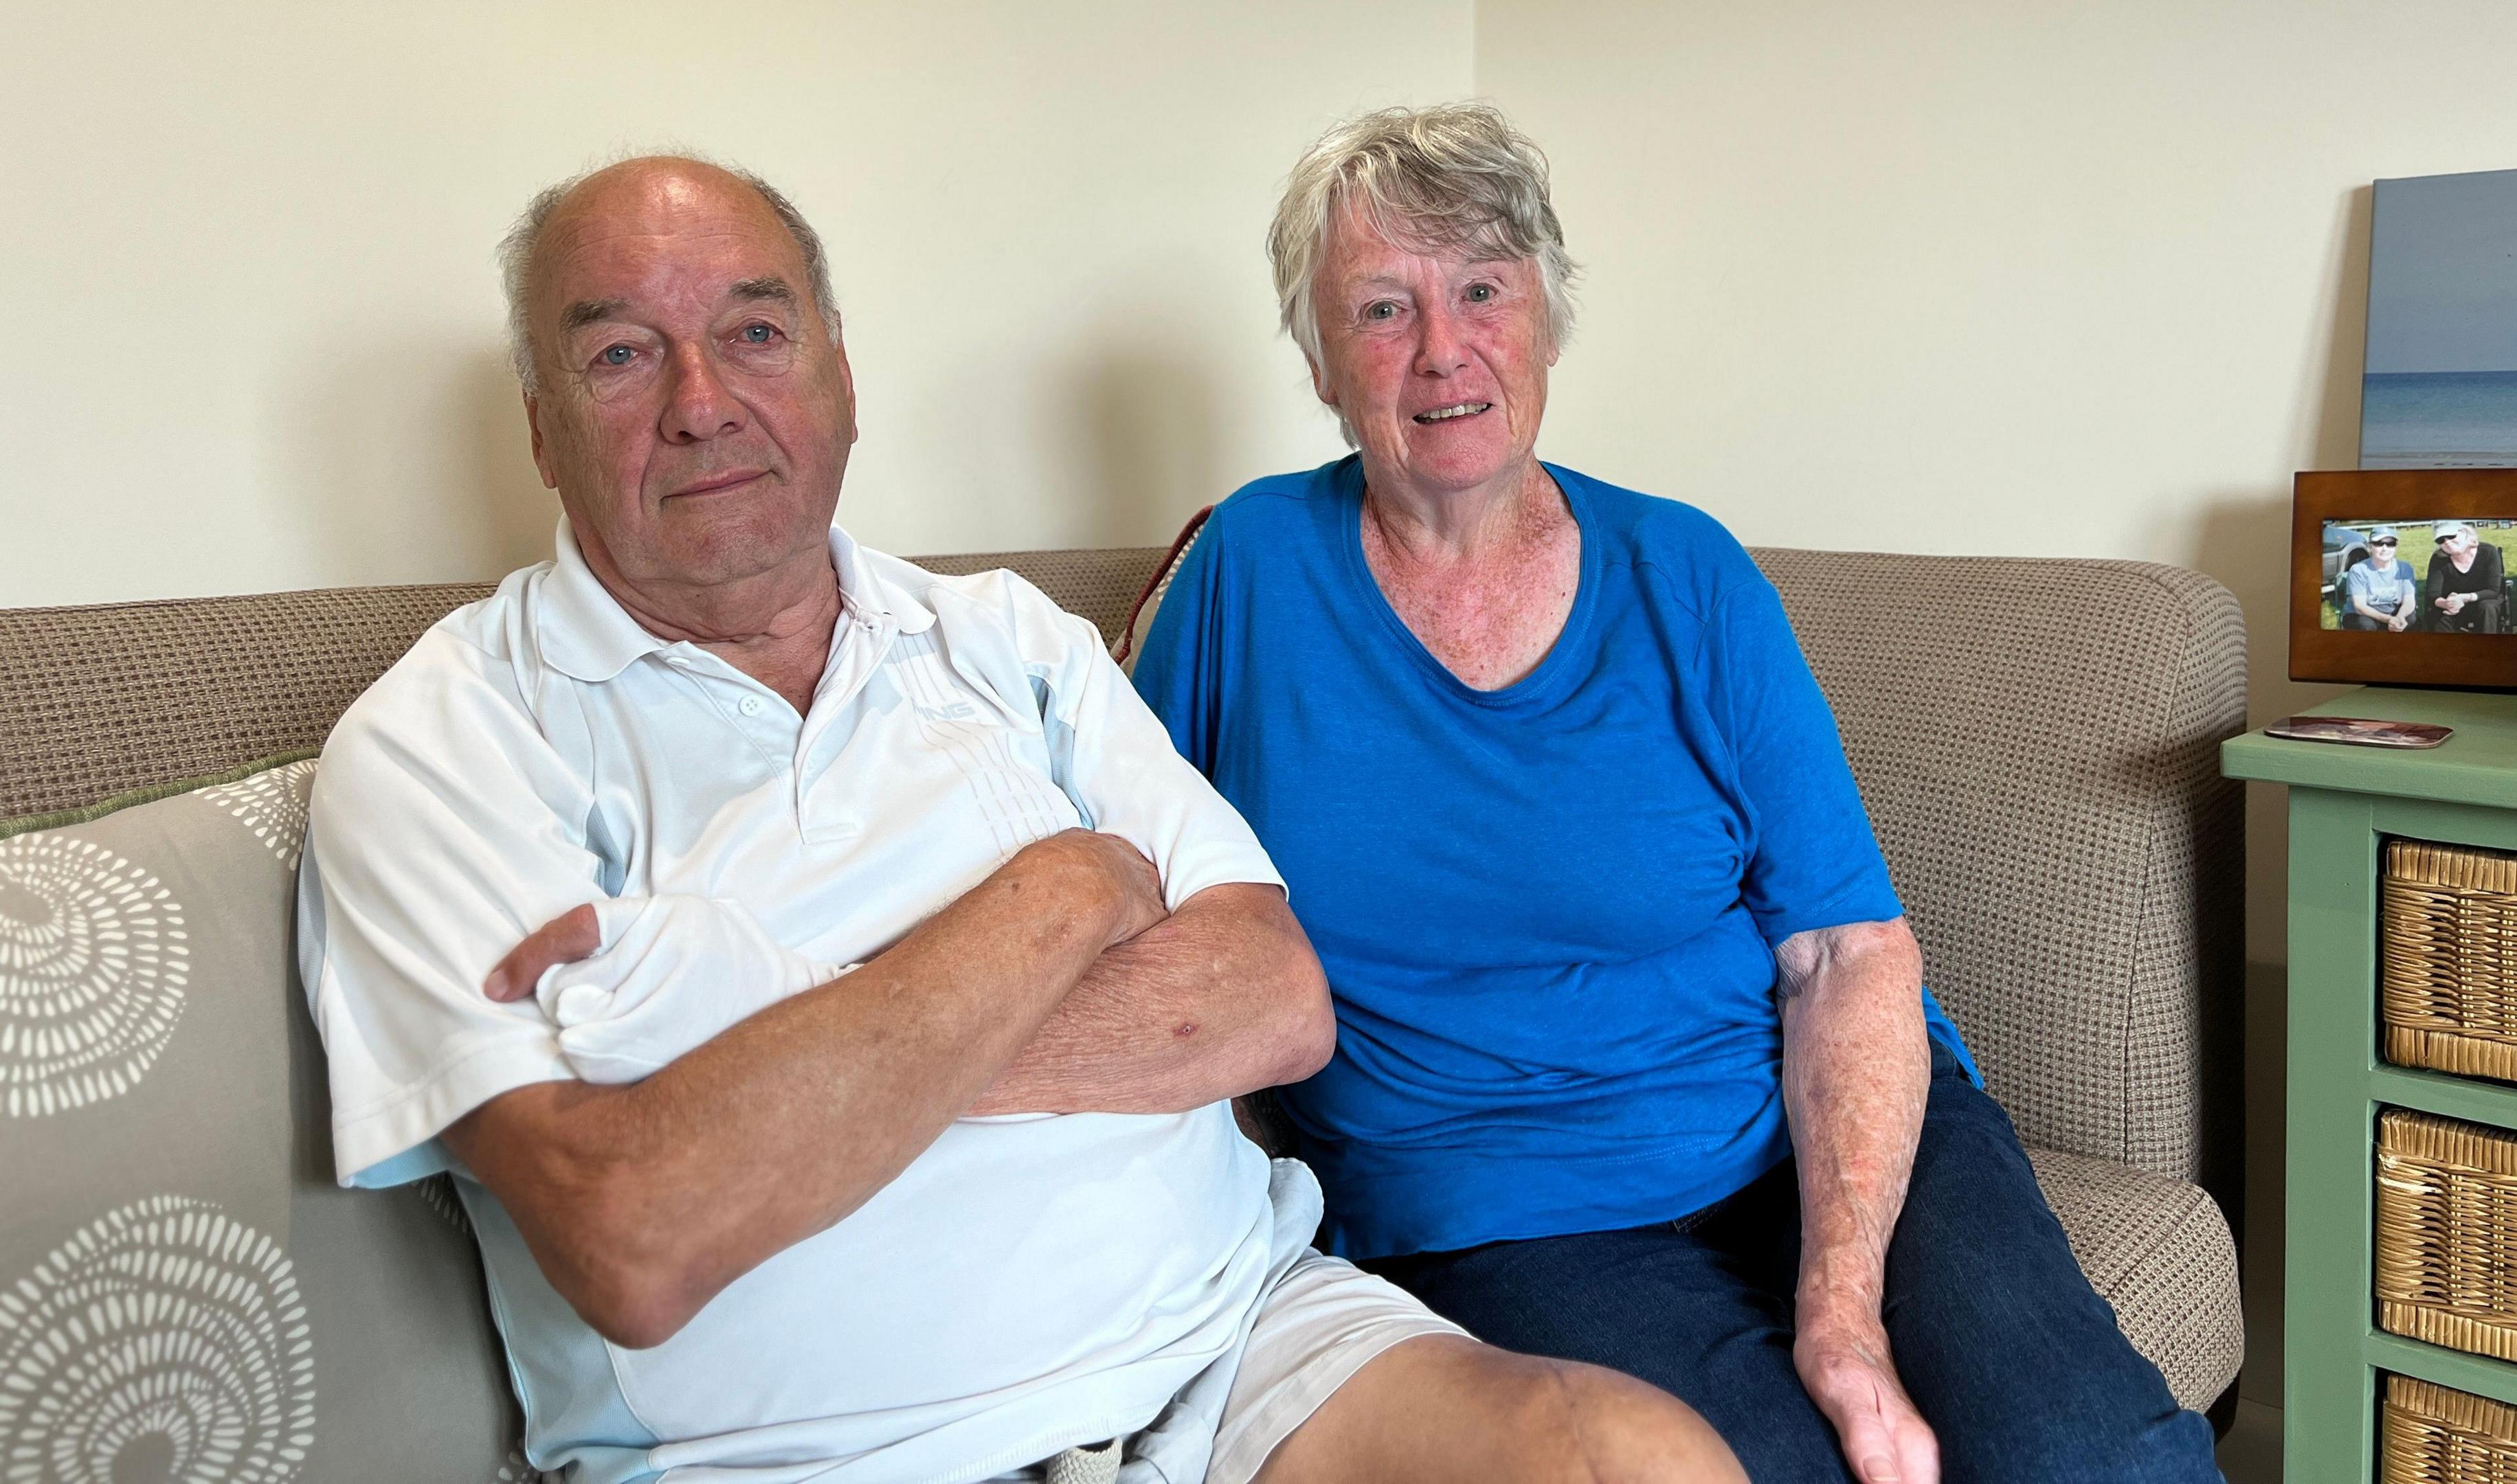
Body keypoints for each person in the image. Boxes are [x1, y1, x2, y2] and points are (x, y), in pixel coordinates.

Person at [298, 154, 1743, 1484]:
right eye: (619, 353)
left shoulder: (1007, 641)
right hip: (819, 1456)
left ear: (841, 374)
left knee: (1636, 1459)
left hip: (1242, 1354)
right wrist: (1069, 892)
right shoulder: (443, 741)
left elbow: (1273, 1003)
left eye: (755, 332)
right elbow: (636, 1233)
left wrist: (750, 1069)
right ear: (541, 427)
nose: (699, 400)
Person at [1132, 104, 2222, 1483]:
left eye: (1482, 289)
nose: (1442, 347)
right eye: (1381, 307)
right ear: (1318, 357)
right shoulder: (1248, 575)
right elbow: (1118, 866)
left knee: (2086, 1454)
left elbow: (1846, 946)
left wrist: (1843, 1319)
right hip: (1498, 1199)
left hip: (1811, 1115)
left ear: (1546, 316)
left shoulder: (1684, 571)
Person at [2422, 521, 2508, 633]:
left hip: (2482, 599)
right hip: (2453, 603)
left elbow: (2493, 590)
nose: (2447, 542)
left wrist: (2465, 598)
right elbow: (2433, 594)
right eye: (2441, 540)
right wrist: (2447, 603)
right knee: (2438, 612)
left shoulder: (2488, 552)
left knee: (2487, 607)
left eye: (2451, 536)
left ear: (2465, 533)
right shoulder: (2438, 558)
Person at [2340, 527, 2416, 631]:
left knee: (2411, 621)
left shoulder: (2405, 568)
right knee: (2366, 626)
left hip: (2394, 612)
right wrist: (2389, 620)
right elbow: (2360, 607)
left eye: (2390, 543)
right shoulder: (2358, 570)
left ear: (2396, 547)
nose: (2385, 548)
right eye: (2379, 543)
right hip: (2365, 614)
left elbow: (2409, 602)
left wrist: (2400, 618)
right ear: (2370, 546)